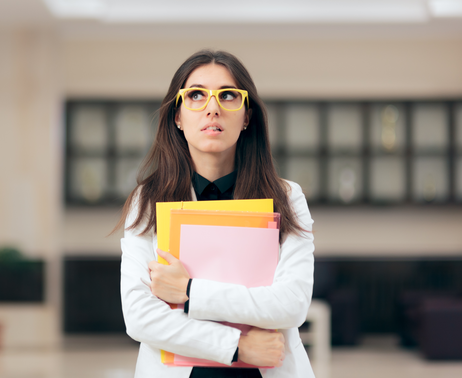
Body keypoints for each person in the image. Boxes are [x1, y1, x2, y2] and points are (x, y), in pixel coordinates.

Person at [117, 50, 315, 378]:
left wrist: (189, 291)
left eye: (228, 96)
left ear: (247, 116)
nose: (213, 107)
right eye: (196, 95)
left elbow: (292, 304)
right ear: (177, 117)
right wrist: (236, 346)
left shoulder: (288, 197)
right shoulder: (146, 201)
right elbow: (140, 316)